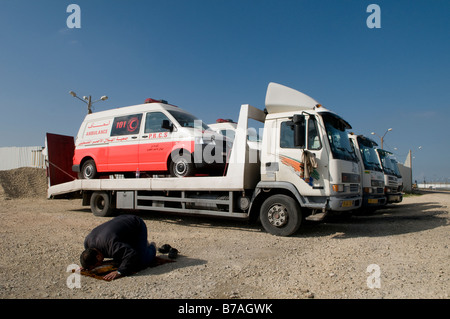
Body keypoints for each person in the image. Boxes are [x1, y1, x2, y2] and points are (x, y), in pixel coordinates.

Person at [80, 214, 156, 281]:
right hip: (121, 222)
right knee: (120, 257)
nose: (96, 267)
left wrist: (120, 271)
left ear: (98, 256)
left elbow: (131, 254)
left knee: (140, 261)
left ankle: (152, 246)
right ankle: (141, 244)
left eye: (95, 265)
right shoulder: (87, 243)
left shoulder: (111, 245)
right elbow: (87, 257)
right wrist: (86, 266)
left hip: (136, 225)